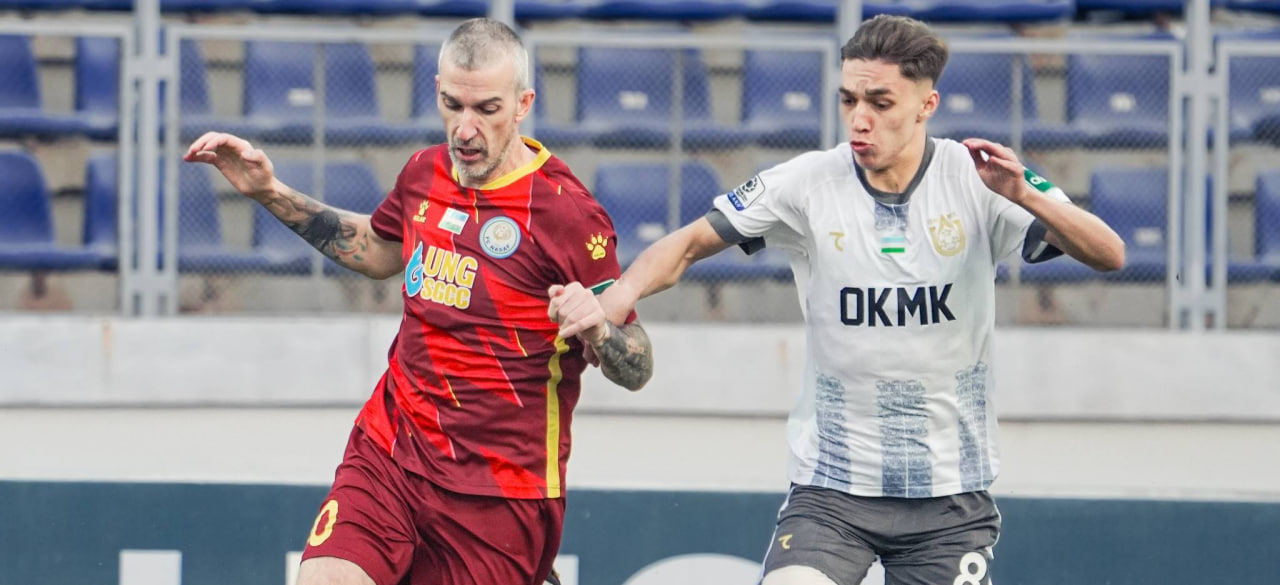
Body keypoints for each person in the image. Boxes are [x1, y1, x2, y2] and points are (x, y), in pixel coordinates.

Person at [551, 14, 1125, 585]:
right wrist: (615, 299)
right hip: (832, 490)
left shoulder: (978, 180)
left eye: (880, 102)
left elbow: (1109, 253)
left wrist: (1026, 194)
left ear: (926, 105)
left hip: (949, 496)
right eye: (849, 99)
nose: (859, 119)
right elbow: (685, 245)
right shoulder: (808, 183)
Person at [185, 18, 653, 585]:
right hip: (390, 450)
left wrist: (600, 330)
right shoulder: (423, 172)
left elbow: (638, 364)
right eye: (453, 105)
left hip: (498, 492)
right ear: (437, 91)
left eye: (487, 109)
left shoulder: (566, 213)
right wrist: (270, 193)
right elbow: (376, 249)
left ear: (523, 104)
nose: (465, 129)